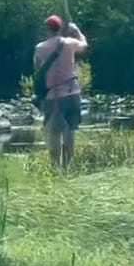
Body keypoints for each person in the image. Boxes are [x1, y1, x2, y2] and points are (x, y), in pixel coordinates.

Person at [33, 15, 88, 168]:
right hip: (73, 93)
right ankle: (69, 168)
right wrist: (77, 31)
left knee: (54, 133)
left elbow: (37, 71)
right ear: (61, 27)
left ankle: (56, 168)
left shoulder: (39, 48)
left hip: (53, 96)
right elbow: (84, 45)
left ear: (47, 29)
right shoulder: (70, 43)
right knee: (70, 132)